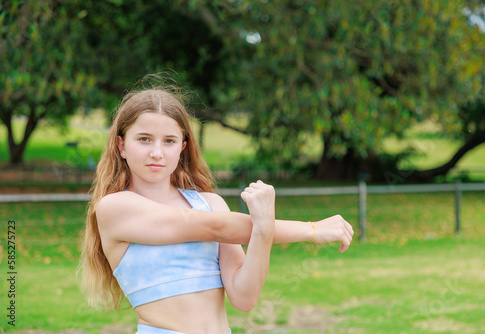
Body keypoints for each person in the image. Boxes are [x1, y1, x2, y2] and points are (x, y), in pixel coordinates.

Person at [80, 81, 354, 334]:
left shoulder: (210, 203)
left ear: (182, 148)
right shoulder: (115, 207)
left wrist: (263, 230)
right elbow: (214, 226)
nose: (157, 152)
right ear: (121, 145)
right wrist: (313, 229)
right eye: (144, 139)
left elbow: (244, 298)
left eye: (169, 141)